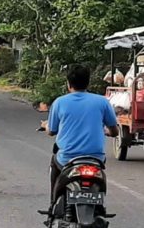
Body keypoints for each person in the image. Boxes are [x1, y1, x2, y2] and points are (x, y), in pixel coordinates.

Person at [41, 65, 119, 203]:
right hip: (96, 158)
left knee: (54, 162)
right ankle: (99, 206)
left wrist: (45, 125)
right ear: (88, 82)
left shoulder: (60, 102)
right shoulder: (102, 102)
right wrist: (108, 132)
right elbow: (114, 130)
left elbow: (52, 131)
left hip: (67, 158)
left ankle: (53, 204)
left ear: (68, 83)